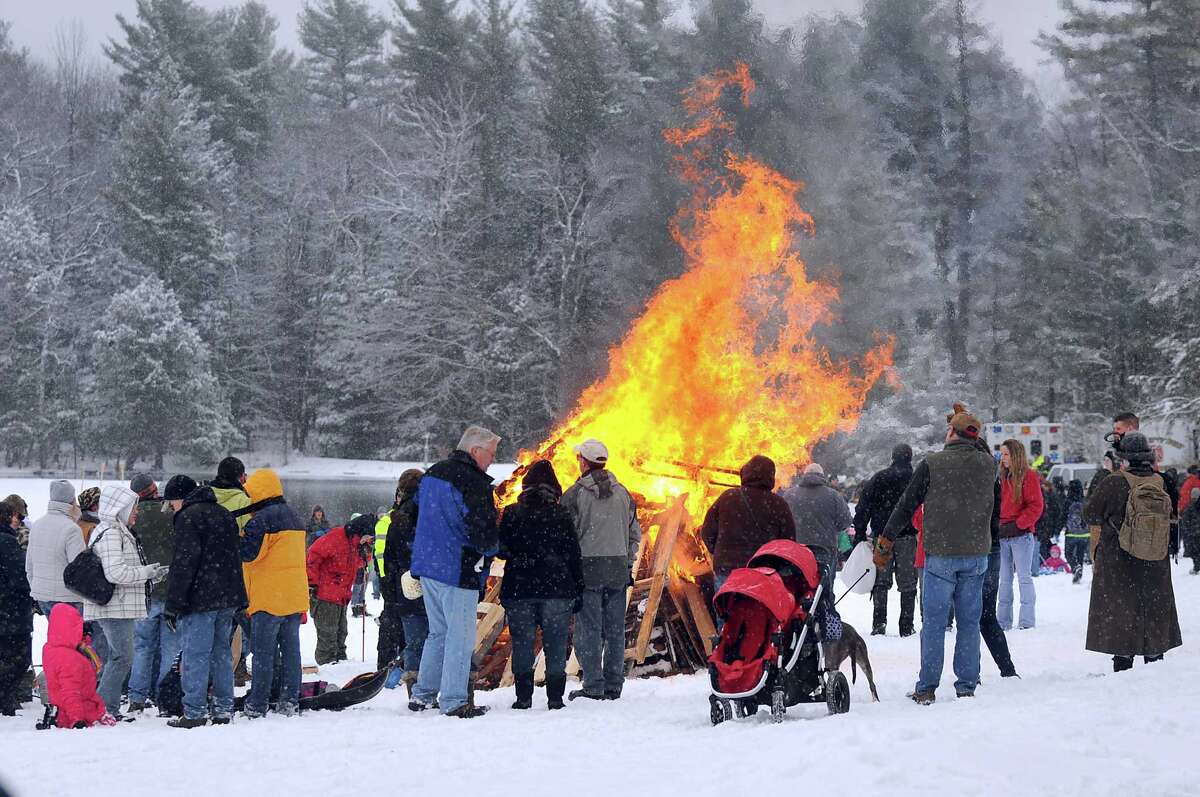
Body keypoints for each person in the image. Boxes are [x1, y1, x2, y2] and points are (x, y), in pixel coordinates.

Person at [875, 403, 1000, 704]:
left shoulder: (933, 463)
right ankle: (967, 684)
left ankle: (927, 687)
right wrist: (966, 424)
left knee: (934, 623)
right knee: (969, 622)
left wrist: (885, 540)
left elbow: (907, 505)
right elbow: (979, 451)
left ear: (951, 433)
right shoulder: (989, 464)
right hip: (976, 553)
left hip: (941, 554)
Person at [409, 425, 501, 718]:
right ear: (475, 451)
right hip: (457, 569)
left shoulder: (433, 473)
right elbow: (482, 532)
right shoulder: (473, 483)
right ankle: (454, 700)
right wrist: (495, 548)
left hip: (428, 566)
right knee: (460, 637)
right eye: (490, 454)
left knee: (438, 633)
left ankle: (422, 694)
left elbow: (414, 511)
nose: (491, 461)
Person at [1083, 431, 1181, 671]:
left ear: (1123, 458)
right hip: (1155, 558)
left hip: (1119, 559)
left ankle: (1123, 661)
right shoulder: (1163, 481)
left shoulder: (1113, 482)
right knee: (1154, 607)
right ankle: (1155, 658)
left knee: (1122, 608)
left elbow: (1090, 514)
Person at [163, 474, 249, 728]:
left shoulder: (188, 518)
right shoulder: (223, 514)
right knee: (221, 653)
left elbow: (184, 564)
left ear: (181, 498)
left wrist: (173, 604)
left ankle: (194, 711)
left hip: (201, 598)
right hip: (227, 597)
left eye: (172, 502)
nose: (171, 508)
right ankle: (223, 708)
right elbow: (235, 556)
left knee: (195, 654)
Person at [498, 460, 584, 711]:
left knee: (522, 643)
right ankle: (555, 698)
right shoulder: (561, 514)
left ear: (525, 486)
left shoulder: (513, 513)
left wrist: (520, 556)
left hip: (520, 590)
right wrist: (577, 587)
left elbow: (501, 549)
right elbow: (573, 554)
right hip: (557, 590)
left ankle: (523, 697)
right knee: (556, 644)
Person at [561, 438, 641, 703]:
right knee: (616, 629)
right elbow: (634, 535)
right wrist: (628, 563)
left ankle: (594, 685)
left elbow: (566, 537)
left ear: (583, 461)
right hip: (617, 570)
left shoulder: (575, 494)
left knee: (589, 629)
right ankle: (614, 684)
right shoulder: (624, 494)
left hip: (588, 571)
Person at [82, 485, 168, 717]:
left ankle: (103, 706)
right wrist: (146, 573)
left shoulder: (119, 530)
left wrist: (152, 576)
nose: (136, 512)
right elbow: (115, 573)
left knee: (120, 657)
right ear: (119, 508)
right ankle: (103, 707)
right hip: (113, 606)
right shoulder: (111, 533)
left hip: (118, 605)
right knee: (122, 657)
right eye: (133, 508)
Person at [240, 469, 308, 718]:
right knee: (292, 652)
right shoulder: (295, 516)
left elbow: (250, 554)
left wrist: (237, 537)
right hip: (293, 596)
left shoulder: (261, 521)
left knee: (263, 654)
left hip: (268, 597)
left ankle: (258, 703)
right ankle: (290, 700)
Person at [852, 444, 918, 636]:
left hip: (883, 537)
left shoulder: (879, 478)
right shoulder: (914, 478)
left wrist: (861, 532)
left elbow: (863, 506)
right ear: (910, 457)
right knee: (908, 582)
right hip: (907, 535)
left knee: (881, 581)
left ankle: (879, 623)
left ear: (892, 456)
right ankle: (907, 625)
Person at [126, 474, 179, 714]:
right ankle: (164, 694)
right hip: (170, 590)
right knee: (170, 647)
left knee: (142, 647)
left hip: (143, 591)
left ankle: (136, 696)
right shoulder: (171, 514)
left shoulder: (131, 519)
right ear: (154, 489)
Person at [702, 454, 796, 587]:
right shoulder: (779, 504)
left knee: (726, 606)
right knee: (756, 607)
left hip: (727, 571)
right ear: (771, 477)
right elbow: (788, 543)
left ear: (745, 473)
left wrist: (719, 552)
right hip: (762, 572)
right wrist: (775, 566)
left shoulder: (728, 497)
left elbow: (706, 531)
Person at [379, 470, 427, 687]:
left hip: (404, 584)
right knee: (431, 639)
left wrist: (389, 591)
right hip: (429, 581)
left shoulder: (398, 518)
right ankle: (428, 685)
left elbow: (389, 557)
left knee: (413, 641)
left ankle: (414, 686)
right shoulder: (430, 512)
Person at [307, 513, 375, 666]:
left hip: (341, 596)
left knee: (341, 633)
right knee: (328, 635)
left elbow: (354, 565)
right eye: (366, 537)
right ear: (359, 533)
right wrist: (313, 582)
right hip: (325, 595)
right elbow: (313, 555)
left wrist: (367, 554)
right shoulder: (336, 538)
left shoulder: (354, 544)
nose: (367, 540)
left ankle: (340, 663)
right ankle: (327, 667)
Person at [781, 462, 848, 604]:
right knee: (824, 589)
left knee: (796, 587)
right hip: (825, 549)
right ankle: (824, 618)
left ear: (805, 475)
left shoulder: (789, 495)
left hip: (796, 551)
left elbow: (781, 521)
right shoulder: (833, 496)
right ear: (822, 477)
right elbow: (845, 522)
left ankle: (798, 618)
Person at [997, 439, 1044, 631]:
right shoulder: (1000, 476)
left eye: (1006, 454)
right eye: (1001, 453)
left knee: (1024, 578)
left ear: (1015, 455)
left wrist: (1019, 524)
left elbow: (1036, 505)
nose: (1002, 457)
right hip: (1002, 534)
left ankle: (1026, 621)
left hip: (1021, 535)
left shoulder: (1029, 476)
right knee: (1005, 579)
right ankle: (1003, 621)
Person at [41, 604, 113, 728]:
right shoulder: (70, 658)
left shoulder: (51, 649)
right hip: (82, 710)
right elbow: (70, 692)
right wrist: (77, 719)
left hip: (62, 706)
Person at [25, 480, 86, 616]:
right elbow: (80, 569)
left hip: (42, 596)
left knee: (56, 635)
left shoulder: (37, 525)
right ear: (72, 501)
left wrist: (37, 587)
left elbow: (29, 565)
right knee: (72, 637)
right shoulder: (71, 529)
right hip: (67, 598)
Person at [0, 499, 33, 715]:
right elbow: (20, 577)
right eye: (19, 517)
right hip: (11, 611)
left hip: (6, 609)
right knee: (18, 658)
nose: (20, 521)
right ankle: (6, 699)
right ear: (11, 517)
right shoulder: (7, 542)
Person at [1063, 480, 1089, 583]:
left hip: (1071, 533)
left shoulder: (1068, 501)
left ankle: (1075, 567)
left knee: (1068, 554)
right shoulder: (1085, 501)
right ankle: (1079, 573)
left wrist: (1057, 528)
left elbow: (1062, 515)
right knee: (1080, 554)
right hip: (1085, 533)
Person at [1181, 488, 1200, 575]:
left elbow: (1185, 521)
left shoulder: (1189, 507)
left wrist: (1187, 531)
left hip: (1194, 533)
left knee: (1195, 552)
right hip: (1196, 532)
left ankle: (1196, 567)